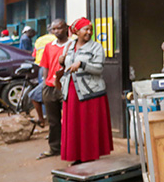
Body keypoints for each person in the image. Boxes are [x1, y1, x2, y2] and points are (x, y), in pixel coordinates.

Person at [59, 17, 113, 165]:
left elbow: (99, 69)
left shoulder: (96, 47)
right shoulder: (69, 46)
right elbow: (66, 67)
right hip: (71, 90)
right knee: (74, 124)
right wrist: (62, 61)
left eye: (91, 29)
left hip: (90, 91)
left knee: (88, 124)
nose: (89, 32)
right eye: (85, 29)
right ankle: (76, 156)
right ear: (77, 31)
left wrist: (82, 64)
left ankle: (89, 156)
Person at [36, 19, 71, 160]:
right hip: (50, 87)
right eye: (54, 29)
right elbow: (45, 65)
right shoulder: (49, 47)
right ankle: (54, 148)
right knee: (53, 121)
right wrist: (45, 82)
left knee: (69, 119)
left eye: (59, 28)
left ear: (66, 28)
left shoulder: (72, 45)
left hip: (66, 86)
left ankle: (70, 148)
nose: (56, 31)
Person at [29, 27, 57, 127]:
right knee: (44, 93)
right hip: (50, 68)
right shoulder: (56, 40)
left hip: (42, 67)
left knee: (43, 92)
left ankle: (44, 117)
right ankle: (46, 117)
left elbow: (34, 55)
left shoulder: (39, 40)